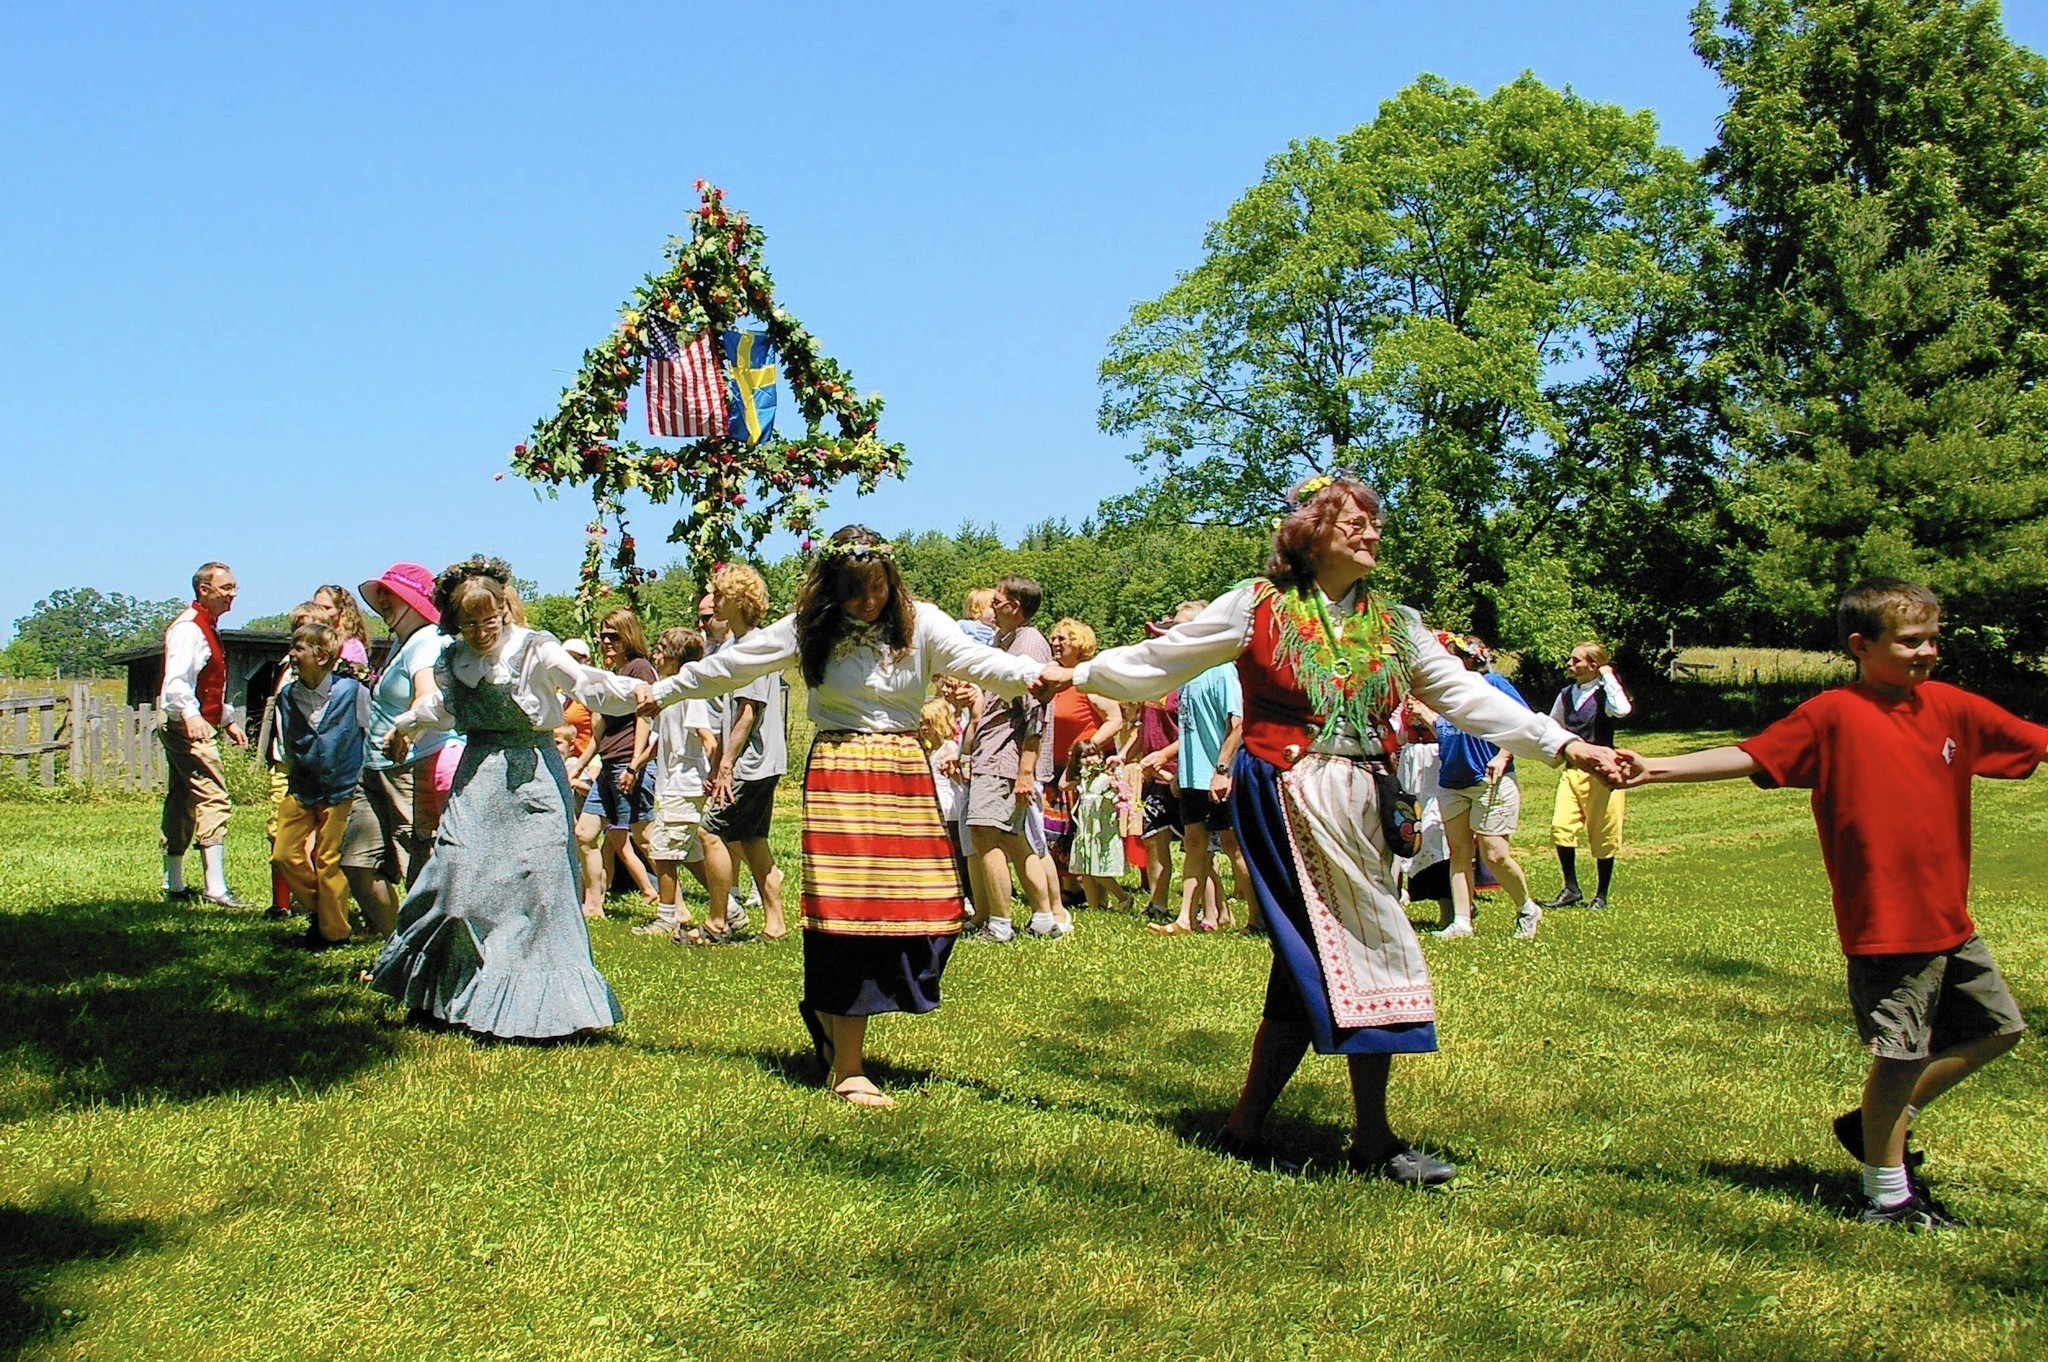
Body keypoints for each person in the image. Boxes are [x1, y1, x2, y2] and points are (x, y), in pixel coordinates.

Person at [1041, 475, 1622, 1182]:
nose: (1372, 534)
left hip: (1363, 799)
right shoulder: (1256, 606)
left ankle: (1246, 1127)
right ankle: (1373, 1142)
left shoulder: (1398, 624)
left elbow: (1468, 697)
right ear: (1309, 535)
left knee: (1308, 954)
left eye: (1375, 523)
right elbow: (1159, 662)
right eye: (1355, 523)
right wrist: (1072, 673)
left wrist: (1565, 744)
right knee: (1361, 943)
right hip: (1283, 790)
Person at [1619, 578, 2037, 1229]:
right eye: (1909, 641)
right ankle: (1887, 1196)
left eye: (1933, 638)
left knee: (1998, 1029)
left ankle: (1872, 1128)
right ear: (1861, 646)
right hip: (1887, 925)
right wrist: (1657, 768)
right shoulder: (1833, 715)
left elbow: (2030, 739)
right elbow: (1752, 753)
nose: (1926, 651)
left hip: (1950, 920)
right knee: (1898, 1058)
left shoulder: (1952, 707)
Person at [639, 526, 1048, 1106]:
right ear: (833, 585)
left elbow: (981, 661)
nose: (869, 600)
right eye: (855, 590)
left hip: (905, 768)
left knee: (934, 910)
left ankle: (827, 1012)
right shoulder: (812, 623)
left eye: (877, 586)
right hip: (841, 770)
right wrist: (668, 690)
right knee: (848, 914)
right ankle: (847, 1066)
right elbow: (732, 664)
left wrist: (1039, 675)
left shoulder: (922, 619)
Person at [369, 557, 649, 1041]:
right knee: (454, 880)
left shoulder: (536, 649)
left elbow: (586, 683)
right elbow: (440, 706)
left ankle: (549, 1013)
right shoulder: (453, 658)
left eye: (490, 617)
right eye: (470, 621)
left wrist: (638, 690)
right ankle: (441, 993)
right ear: (457, 621)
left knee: (542, 889)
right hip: (477, 779)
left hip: (534, 777)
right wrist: (403, 725)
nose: (482, 630)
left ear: (505, 608)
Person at [346, 563, 453, 936]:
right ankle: (400, 945)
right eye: (382, 596)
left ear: (413, 600)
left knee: (417, 867)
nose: (384, 602)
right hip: (374, 769)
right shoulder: (401, 644)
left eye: (391, 595)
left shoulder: (426, 641)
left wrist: (406, 729)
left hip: (408, 769)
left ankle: (418, 956)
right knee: (357, 863)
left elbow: (427, 692)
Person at [691, 563, 789, 944]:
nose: (713, 603)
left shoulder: (756, 647)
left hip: (753, 762)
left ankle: (717, 922)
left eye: (718, 595)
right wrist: (718, 762)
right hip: (751, 762)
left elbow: (748, 712)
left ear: (735, 599)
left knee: (709, 832)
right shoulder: (737, 645)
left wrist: (726, 767)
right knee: (751, 840)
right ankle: (775, 924)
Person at [963, 576, 1064, 941]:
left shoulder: (1029, 644)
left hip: (1005, 754)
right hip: (995, 750)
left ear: (1015, 607)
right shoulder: (1004, 640)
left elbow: (1039, 710)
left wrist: (1026, 770)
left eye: (997, 602)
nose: (991, 608)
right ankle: (1043, 918)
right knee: (1011, 836)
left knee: (984, 833)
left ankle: (1000, 925)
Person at [1430, 634, 1547, 942]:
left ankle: (1526, 908)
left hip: (1490, 780)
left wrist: (1503, 755)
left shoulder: (1493, 684)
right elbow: (1449, 731)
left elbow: (1523, 723)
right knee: (1459, 853)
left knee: (1494, 854)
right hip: (1451, 781)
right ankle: (1461, 922)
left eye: (1449, 653)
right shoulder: (1443, 692)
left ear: (1469, 657)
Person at [272, 620, 371, 948]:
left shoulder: (351, 692)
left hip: (341, 788)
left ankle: (333, 933)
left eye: (299, 649)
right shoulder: (287, 696)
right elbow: (288, 740)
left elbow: (369, 732)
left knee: (329, 859)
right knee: (283, 854)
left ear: (323, 657)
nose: (292, 655)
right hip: (301, 787)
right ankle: (324, 910)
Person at [158, 561, 250, 907]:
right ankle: (216, 887)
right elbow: (177, 682)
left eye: (233, 587)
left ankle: (174, 882)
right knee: (214, 796)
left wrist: (226, 719)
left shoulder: (205, 626)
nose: (233, 594)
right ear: (204, 590)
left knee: (182, 798)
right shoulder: (188, 629)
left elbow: (207, 685)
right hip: (185, 725)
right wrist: (192, 716)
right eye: (226, 587)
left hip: (189, 720)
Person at [1159, 650, 1253, 935]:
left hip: (1217, 776)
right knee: (1194, 844)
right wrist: (1180, 773)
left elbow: (1237, 726)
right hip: (1192, 778)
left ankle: (1259, 918)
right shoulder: (1188, 675)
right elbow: (1190, 730)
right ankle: (1184, 920)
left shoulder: (1222, 670)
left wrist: (1222, 770)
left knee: (1233, 846)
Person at [1046, 620, 1130, 912]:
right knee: (1056, 831)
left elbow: (1115, 719)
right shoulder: (1054, 679)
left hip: (1084, 769)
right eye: (1053, 638)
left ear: (1080, 644)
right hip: (1056, 767)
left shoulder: (1087, 680)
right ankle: (1070, 888)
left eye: (1064, 639)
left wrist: (1088, 747)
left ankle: (1092, 891)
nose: (1056, 643)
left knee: (1082, 831)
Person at [581, 608, 660, 915]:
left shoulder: (639, 669)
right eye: (603, 637)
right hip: (608, 764)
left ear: (629, 636)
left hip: (627, 764)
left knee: (644, 837)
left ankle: (675, 904)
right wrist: (578, 765)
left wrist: (634, 764)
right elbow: (599, 731)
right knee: (585, 833)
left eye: (613, 636)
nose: (606, 642)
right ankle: (593, 904)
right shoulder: (615, 675)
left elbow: (645, 719)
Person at [1544, 641, 1633, 911]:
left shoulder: (1605, 694)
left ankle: (1601, 895)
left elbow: (1622, 710)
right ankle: (1571, 888)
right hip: (1573, 771)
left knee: (1603, 833)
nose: (1570, 665)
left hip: (1602, 774)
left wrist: (1608, 676)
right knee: (1561, 827)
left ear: (1593, 665)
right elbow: (1553, 725)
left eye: (1576, 661)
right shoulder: (1566, 694)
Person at [640, 627, 715, 940]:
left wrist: (717, 773)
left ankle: (667, 917)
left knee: (664, 852)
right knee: (692, 853)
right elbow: (663, 740)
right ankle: (731, 905)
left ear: (674, 656)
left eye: (660, 648)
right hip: (670, 782)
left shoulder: (690, 689)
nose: (655, 655)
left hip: (685, 784)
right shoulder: (668, 689)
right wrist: (638, 764)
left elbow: (706, 736)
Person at [312, 584, 373, 673]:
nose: (321, 613)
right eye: (317, 608)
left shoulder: (352, 647)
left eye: (327, 608)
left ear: (342, 610)